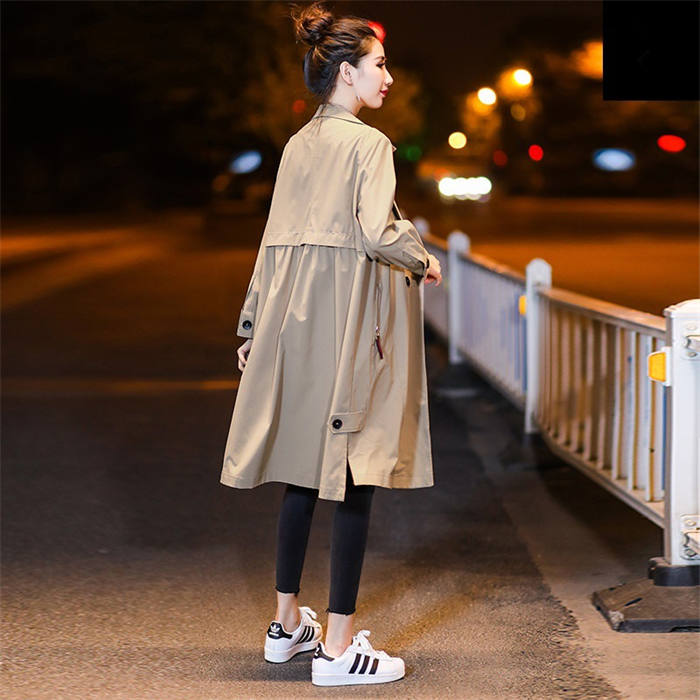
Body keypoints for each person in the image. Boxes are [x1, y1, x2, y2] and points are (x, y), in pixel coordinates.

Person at [220, 1, 442, 687]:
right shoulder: (368, 145)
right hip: (348, 320)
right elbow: (377, 232)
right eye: (379, 65)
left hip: (293, 320)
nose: (388, 78)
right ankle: (339, 648)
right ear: (347, 72)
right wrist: (422, 256)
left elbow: (273, 240)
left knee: (302, 469)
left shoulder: (298, 144)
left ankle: (286, 626)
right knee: (355, 472)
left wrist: (251, 325)